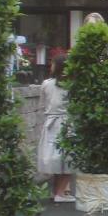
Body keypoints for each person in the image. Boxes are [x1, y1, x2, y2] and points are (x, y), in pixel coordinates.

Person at [37, 54, 75, 203]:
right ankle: (61, 192)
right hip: (67, 122)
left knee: (54, 156)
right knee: (68, 158)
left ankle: (56, 191)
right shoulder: (72, 85)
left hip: (50, 122)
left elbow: (42, 103)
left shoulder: (46, 84)